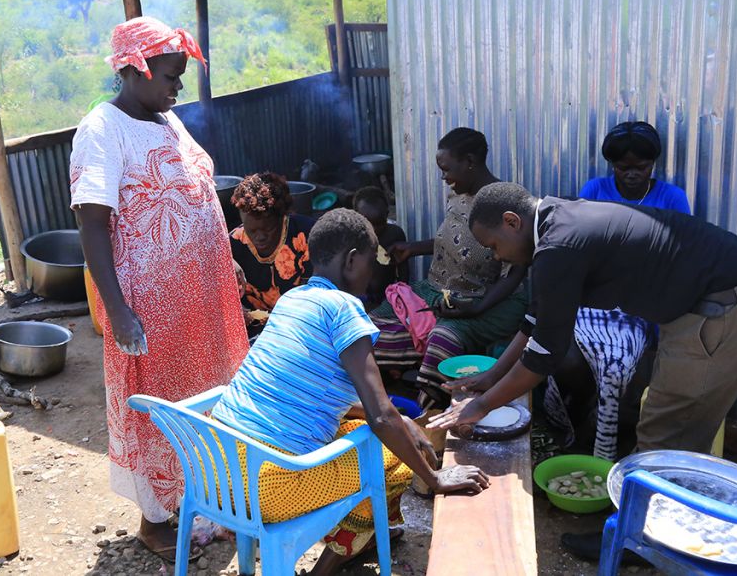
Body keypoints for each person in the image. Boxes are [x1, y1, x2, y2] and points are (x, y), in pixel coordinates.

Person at [431, 182, 737, 561]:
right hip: (718, 301)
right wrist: (490, 377)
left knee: (668, 428)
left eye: (493, 245)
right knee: (677, 428)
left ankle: (640, 542)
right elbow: (538, 317)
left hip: (727, 307)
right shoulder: (558, 224)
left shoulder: (559, 246)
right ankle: (656, 529)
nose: (497, 257)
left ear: (511, 221)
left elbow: (545, 355)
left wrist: (480, 406)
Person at [213, 209, 490, 574]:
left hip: (217, 470)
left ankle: (368, 535)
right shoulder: (345, 310)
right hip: (268, 487)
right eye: (370, 262)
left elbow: (322, 394)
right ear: (351, 260)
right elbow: (379, 415)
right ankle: (328, 566)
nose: (372, 272)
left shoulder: (292, 300)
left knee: (367, 434)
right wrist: (434, 477)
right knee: (393, 464)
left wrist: (402, 420)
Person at [70, 16, 250, 563]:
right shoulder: (102, 129)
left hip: (201, 300)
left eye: (180, 75)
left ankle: (205, 501)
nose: (178, 87)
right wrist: (117, 309)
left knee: (207, 396)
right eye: (170, 75)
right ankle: (155, 520)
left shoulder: (164, 119)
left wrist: (224, 260)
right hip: (151, 307)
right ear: (135, 69)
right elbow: (92, 224)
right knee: (158, 408)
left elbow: (193, 190)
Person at [544, 122, 692, 461]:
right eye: (623, 168)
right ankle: (578, 423)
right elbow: (580, 248)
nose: (631, 175)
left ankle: (602, 432)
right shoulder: (595, 189)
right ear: (612, 166)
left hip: (640, 305)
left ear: (652, 165)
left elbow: (676, 256)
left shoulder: (671, 197)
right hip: (595, 299)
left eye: (640, 168)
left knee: (623, 367)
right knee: (566, 362)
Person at [372, 128, 529, 408]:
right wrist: (413, 248)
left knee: (442, 340)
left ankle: (428, 419)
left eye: (447, 169)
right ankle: (379, 396)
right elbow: (455, 242)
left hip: (487, 298)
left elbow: (517, 270)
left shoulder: (505, 203)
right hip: (436, 289)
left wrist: (478, 309)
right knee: (369, 327)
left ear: (470, 161)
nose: (444, 178)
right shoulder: (457, 195)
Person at [229, 172, 314, 331]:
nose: (260, 237)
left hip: (302, 327)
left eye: (268, 229)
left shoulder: (304, 236)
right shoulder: (232, 246)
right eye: (251, 230)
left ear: (282, 218)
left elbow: (315, 296)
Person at [352, 186, 409, 309]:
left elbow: (403, 269)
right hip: (357, 297)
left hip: (387, 296)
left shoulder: (394, 234)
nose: (373, 230)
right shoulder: (350, 237)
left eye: (379, 223)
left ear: (386, 215)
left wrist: (403, 295)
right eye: (366, 224)